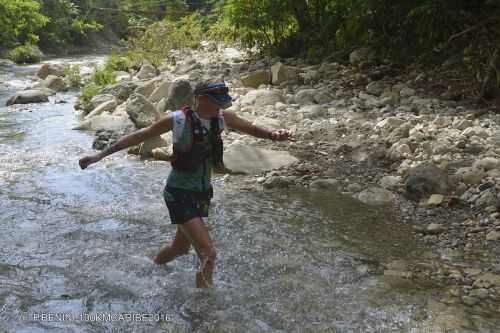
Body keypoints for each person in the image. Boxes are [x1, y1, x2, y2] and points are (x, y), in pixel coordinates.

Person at [79, 80, 293, 288]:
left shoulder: (222, 118)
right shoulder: (178, 120)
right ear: (200, 99)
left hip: (201, 193)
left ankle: (151, 267)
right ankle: (203, 309)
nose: (221, 106)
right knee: (208, 254)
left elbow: (253, 129)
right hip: (178, 194)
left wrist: (274, 135)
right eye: (216, 101)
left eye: (222, 102)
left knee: (179, 249)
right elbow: (140, 135)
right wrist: (100, 155)